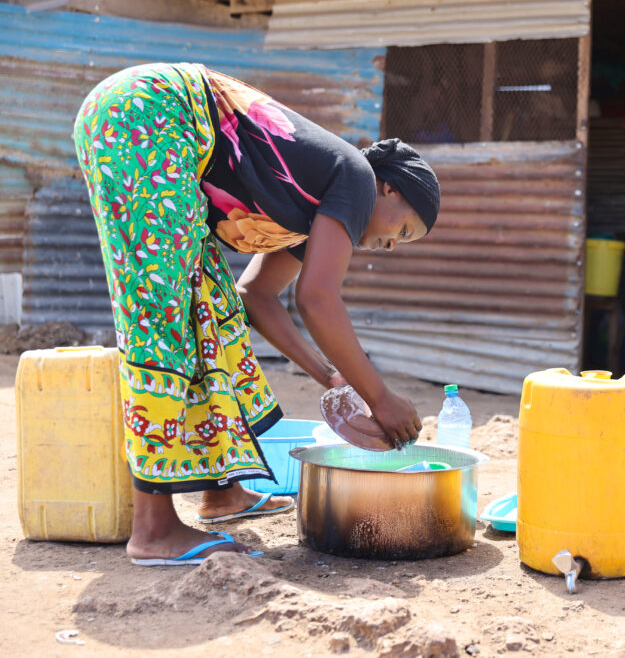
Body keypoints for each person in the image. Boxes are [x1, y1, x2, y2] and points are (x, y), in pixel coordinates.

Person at [72, 63, 437, 565]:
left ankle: (223, 492)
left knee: (213, 309)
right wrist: (380, 397)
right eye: (405, 230)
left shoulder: (317, 210)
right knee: (164, 308)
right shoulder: (355, 176)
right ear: (390, 191)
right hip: (148, 114)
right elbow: (317, 299)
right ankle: (152, 528)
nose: (394, 245)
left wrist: (332, 379)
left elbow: (255, 297)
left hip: (162, 132)